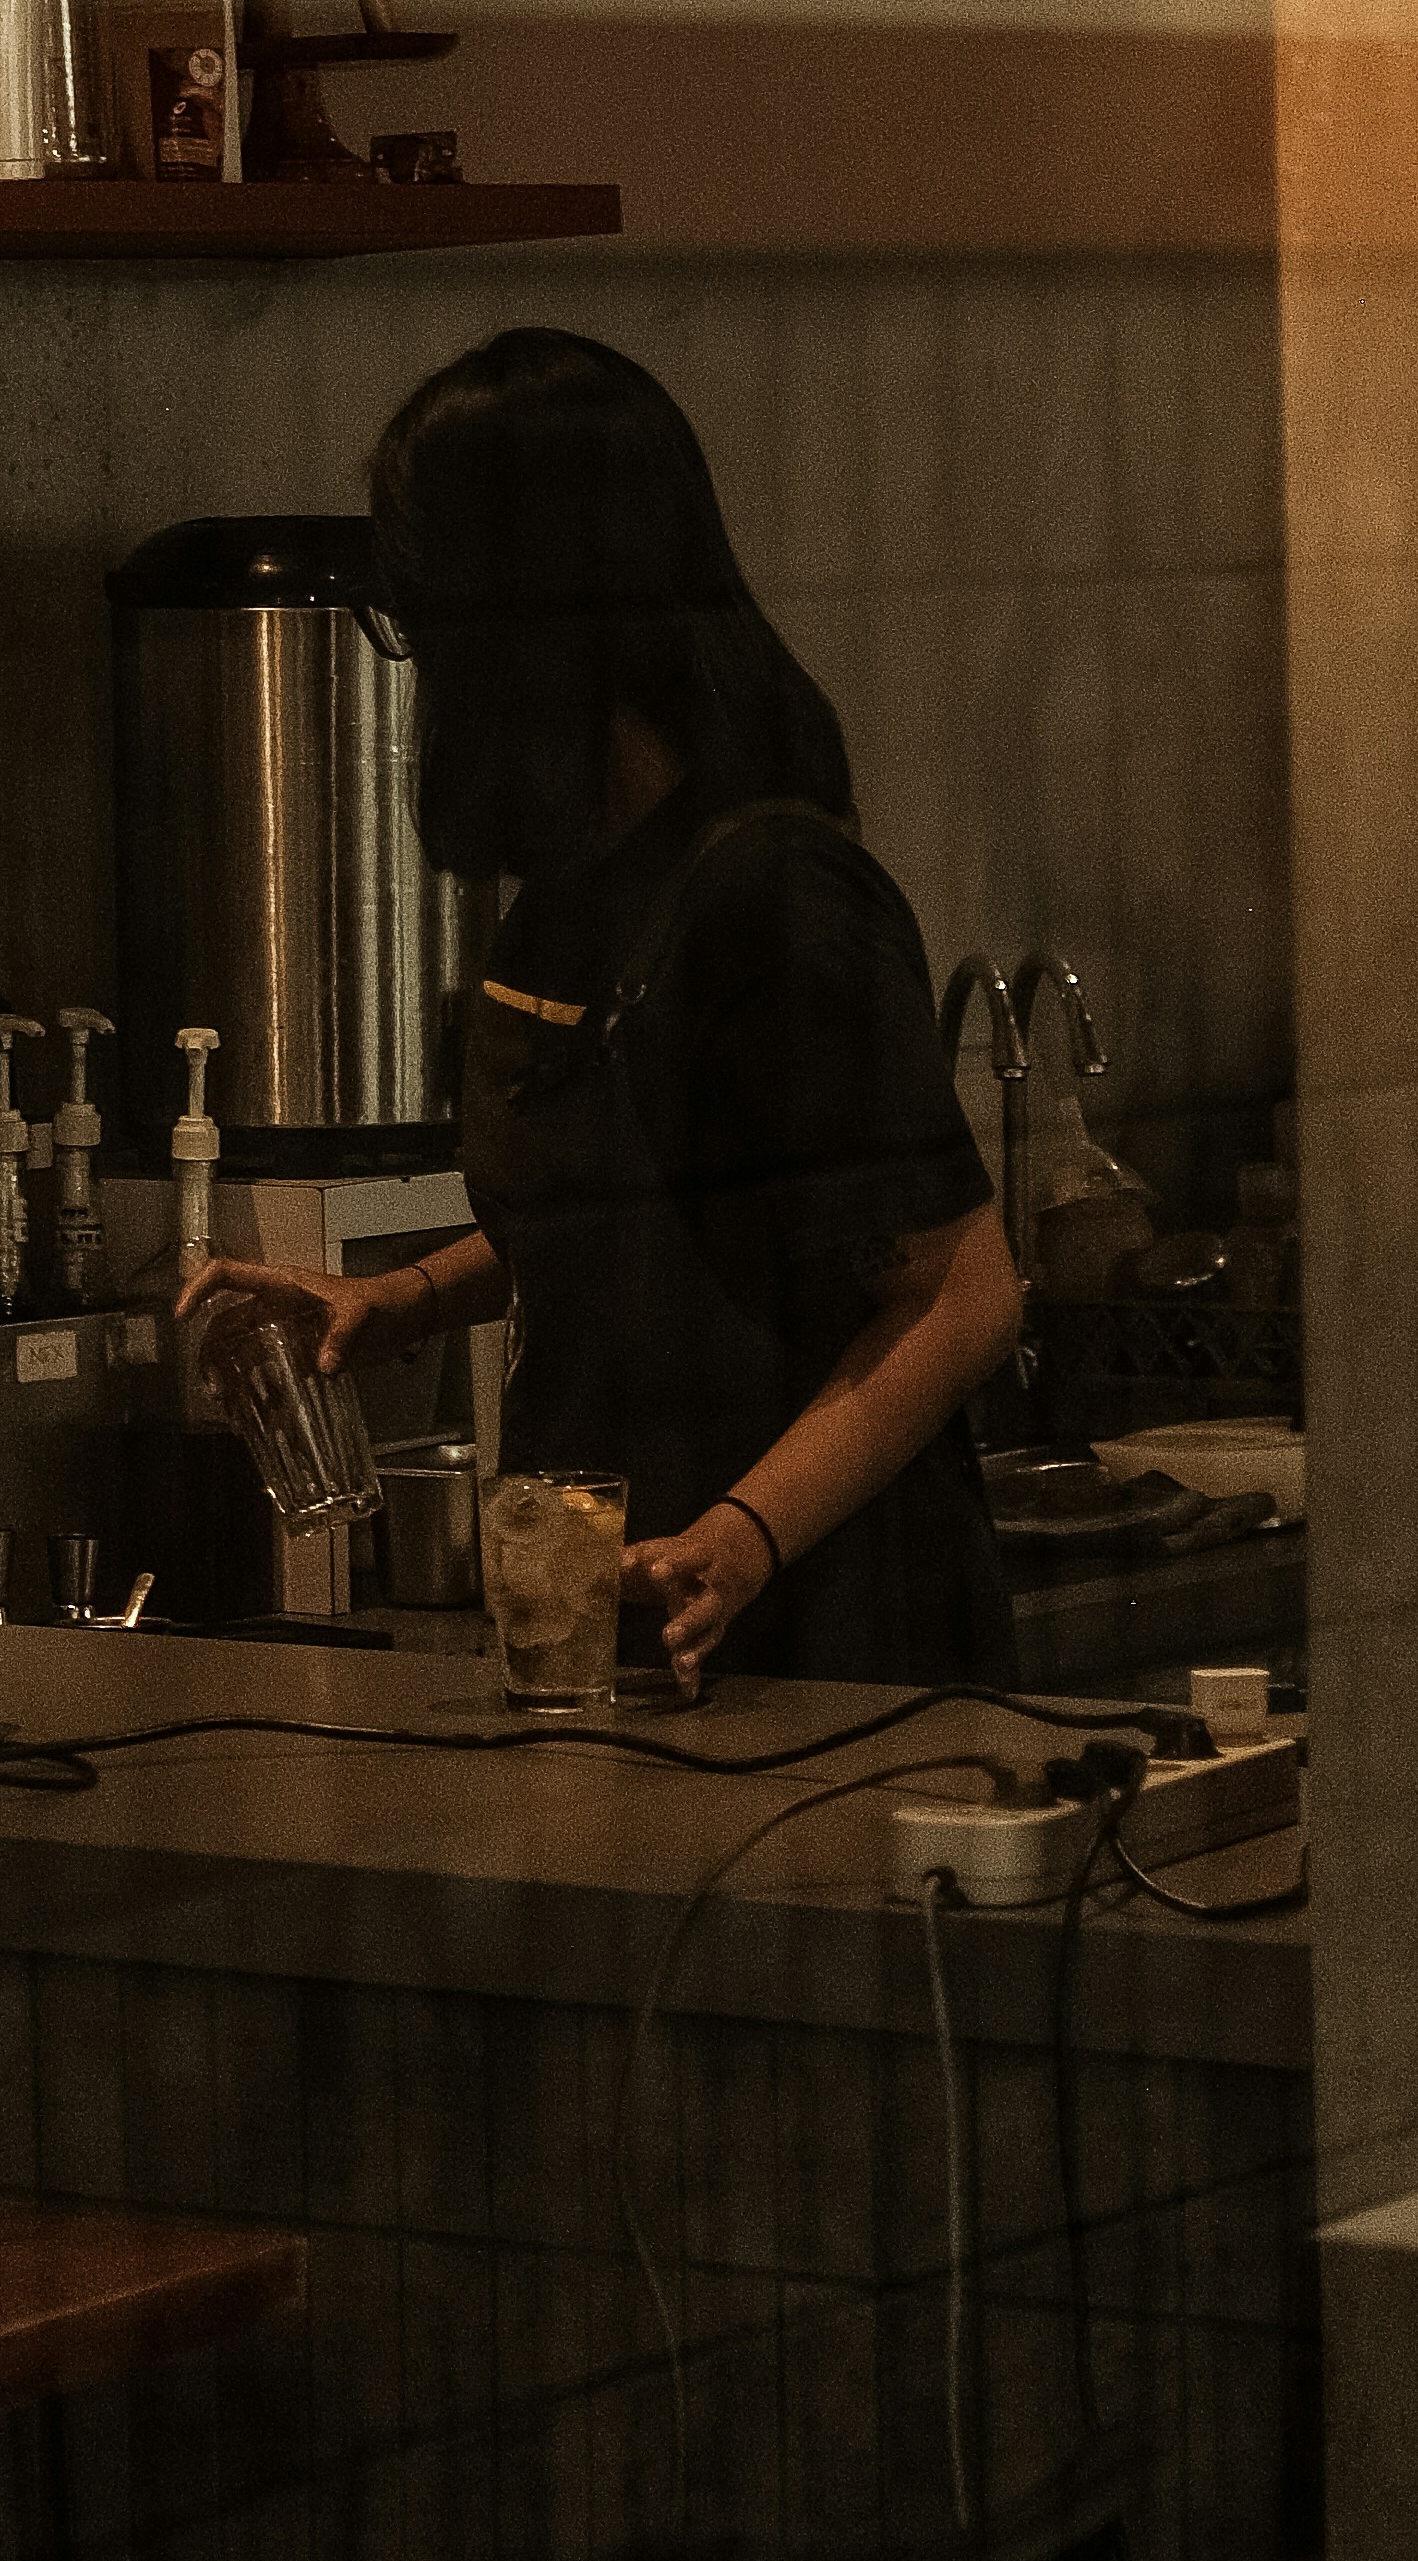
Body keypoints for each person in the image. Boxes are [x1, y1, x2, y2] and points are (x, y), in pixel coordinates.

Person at [176, 327, 1028, 1692]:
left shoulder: (778, 894)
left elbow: (960, 1292)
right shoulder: (578, 889)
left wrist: (743, 1541)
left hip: (829, 1663)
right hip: (601, 1618)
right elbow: (643, 1207)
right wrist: (395, 1300)